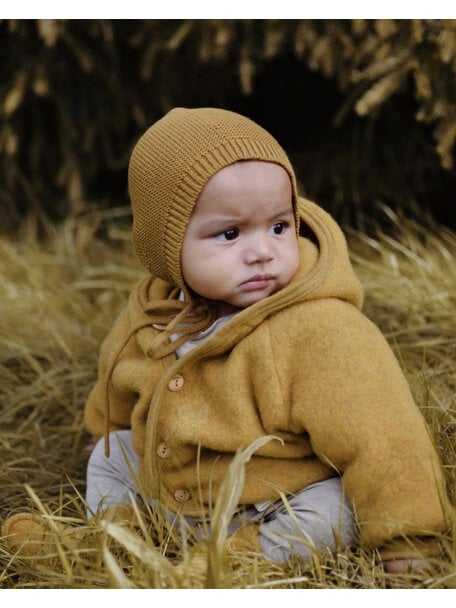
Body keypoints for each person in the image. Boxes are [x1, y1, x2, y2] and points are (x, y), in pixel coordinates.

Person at [2, 107, 452, 576]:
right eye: (230, 233)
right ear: (166, 244)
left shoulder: (322, 329)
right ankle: (113, 536)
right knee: (111, 454)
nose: (262, 252)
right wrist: (101, 429)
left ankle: (229, 563)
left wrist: (409, 536)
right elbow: (117, 380)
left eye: (280, 226)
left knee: (335, 509)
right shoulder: (155, 309)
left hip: (274, 502)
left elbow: (384, 436)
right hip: (169, 493)